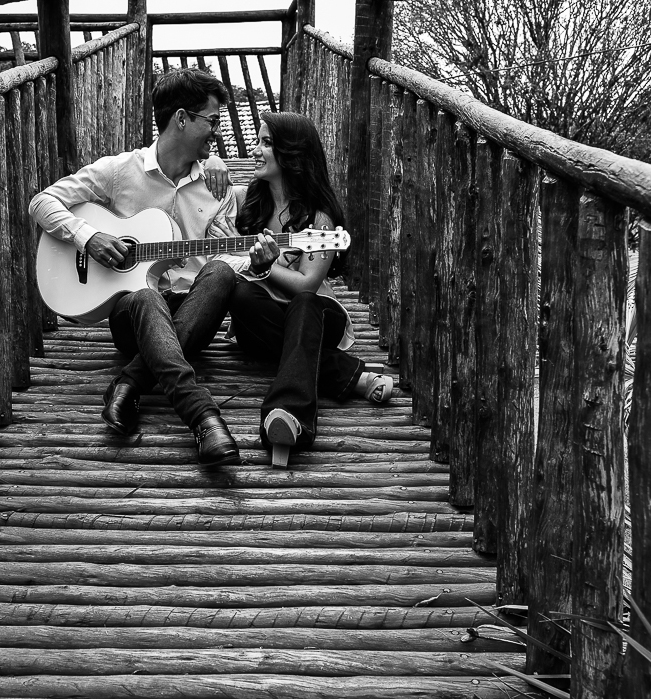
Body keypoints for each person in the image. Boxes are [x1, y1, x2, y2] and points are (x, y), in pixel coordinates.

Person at [29, 69, 241, 466]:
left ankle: (130, 382)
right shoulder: (118, 170)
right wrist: (87, 237)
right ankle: (203, 416)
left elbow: (226, 252)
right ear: (182, 118)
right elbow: (42, 202)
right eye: (211, 120)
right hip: (131, 313)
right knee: (144, 294)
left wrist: (263, 259)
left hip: (190, 309)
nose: (216, 131)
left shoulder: (216, 184)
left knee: (222, 274)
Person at [223, 112, 394, 468]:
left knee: (302, 303)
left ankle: (287, 414)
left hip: (316, 317)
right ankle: (350, 376)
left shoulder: (319, 221)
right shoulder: (245, 201)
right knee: (239, 295)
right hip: (264, 324)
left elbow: (308, 284)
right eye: (257, 140)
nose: (255, 150)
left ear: (292, 154)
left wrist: (267, 267)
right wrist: (210, 160)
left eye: (266, 143)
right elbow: (199, 190)